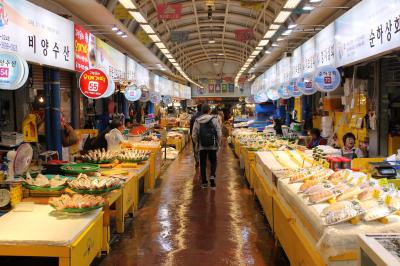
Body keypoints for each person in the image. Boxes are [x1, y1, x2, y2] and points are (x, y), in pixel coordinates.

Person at [192, 104, 222, 188]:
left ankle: (204, 182)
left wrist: (197, 143)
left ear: (201, 111)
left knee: (203, 163)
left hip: (202, 146)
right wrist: (218, 143)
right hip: (212, 145)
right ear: (209, 111)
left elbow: (194, 135)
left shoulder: (197, 120)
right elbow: (219, 133)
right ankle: (212, 175)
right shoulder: (214, 120)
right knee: (213, 161)